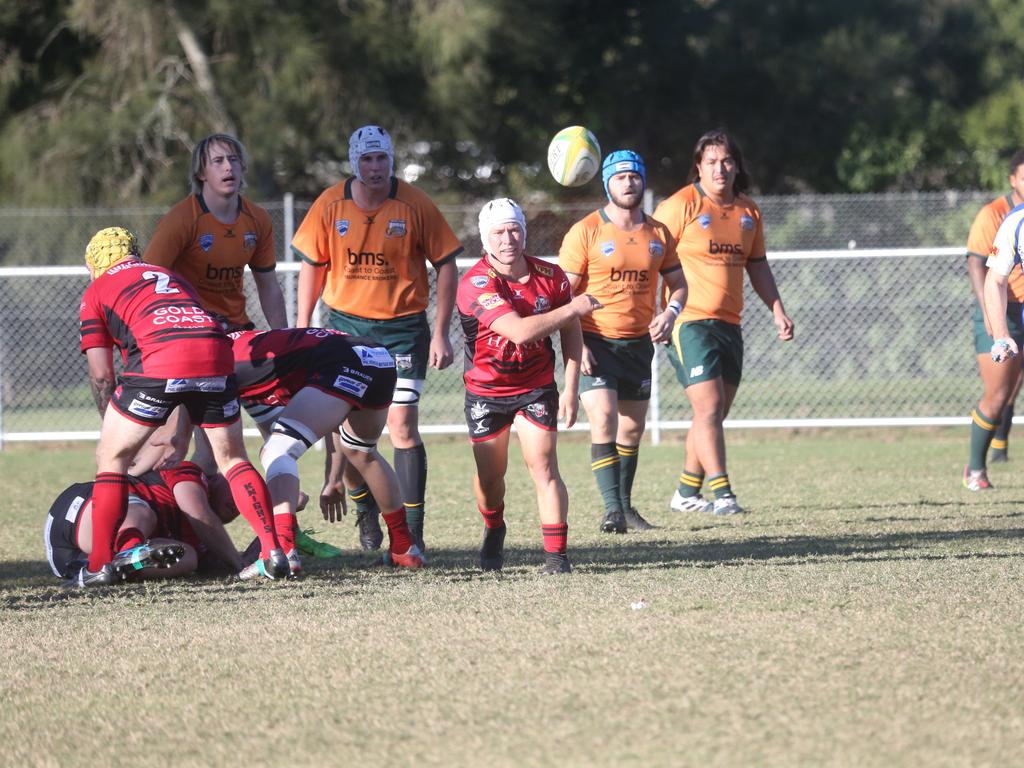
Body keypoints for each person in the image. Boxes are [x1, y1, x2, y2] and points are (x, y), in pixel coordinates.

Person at [76, 226, 286, 587]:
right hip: (216, 353)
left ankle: (99, 565)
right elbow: (191, 339)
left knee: (111, 458)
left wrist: (112, 422)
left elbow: (102, 375)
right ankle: (274, 552)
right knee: (233, 459)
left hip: (161, 360)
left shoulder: (96, 290)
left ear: (94, 263)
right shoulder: (170, 275)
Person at [291, 125, 462, 553]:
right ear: (354, 162)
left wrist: (441, 331)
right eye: (366, 159)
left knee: (402, 426)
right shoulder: (330, 204)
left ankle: (413, 533)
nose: (374, 167)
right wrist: (302, 328)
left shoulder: (415, 203)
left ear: (391, 160)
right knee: (350, 435)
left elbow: (445, 264)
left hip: (403, 329)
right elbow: (313, 265)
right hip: (346, 328)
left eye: (381, 158)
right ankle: (365, 510)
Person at [653, 129, 794, 516]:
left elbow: (758, 265)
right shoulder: (680, 205)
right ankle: (724, 495)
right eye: (711, 162)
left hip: (730, 324)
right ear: (698, 166)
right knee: (710, 406)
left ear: (737, 166)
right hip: (688, 321)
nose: (720, 168)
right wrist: (656, 312)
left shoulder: (749, 212)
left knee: (711, 413)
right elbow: (650, 258)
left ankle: (685, 492)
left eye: (727, 161)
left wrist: (777, 308)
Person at [457, 198, 600, 573]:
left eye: (514, 229)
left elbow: (571, 333)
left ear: (524, 231)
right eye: (499, 232)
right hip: (487, 392)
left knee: (544, 466)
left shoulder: (551, 277)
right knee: (491, 478)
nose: (508, 239)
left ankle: (557, 557)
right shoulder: (475, 283)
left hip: (536, 386)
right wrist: (575, 306)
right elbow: (520, 333)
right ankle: (493, 525)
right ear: (486, 239)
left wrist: (570, 389)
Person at [559, 150, 687, 534]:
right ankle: (612, 510)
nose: (628, 182)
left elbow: (678, 285)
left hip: (637, 345)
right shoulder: (586, 231)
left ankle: (626, 508)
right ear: (607, 184)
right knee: (604, 417)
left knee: (631, 429)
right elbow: (562, 295)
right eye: (620, 177)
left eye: (634, 176)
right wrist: (575, 343)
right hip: (595, 340)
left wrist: (669, 314)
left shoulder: (658, 233)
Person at [228, 327, 426, 571]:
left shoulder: (215, 362)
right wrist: (330, 479)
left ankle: (285, 551)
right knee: (361, 451)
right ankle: (404, 548)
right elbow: (318, 421)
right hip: (375, 355)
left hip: (340, 358)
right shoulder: (249, 348)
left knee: (276, 451)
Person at [144, 132, 286, 333]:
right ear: (201, 173)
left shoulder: (258, 219)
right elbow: (147, 281)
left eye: (233, 160)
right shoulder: (181, 219)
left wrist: (283, 337)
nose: (228, 166)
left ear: (242, 167)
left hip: (237, 329)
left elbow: (268, 287)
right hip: (189, 330)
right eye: (218, 161)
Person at [44, 462, 243, 584]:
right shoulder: (190, 473)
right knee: (143, 513)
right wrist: (238, 562)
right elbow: (196, 511)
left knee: (187, 556)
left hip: (71, 565)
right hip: (79, 512)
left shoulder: (204, 547)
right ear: (220, 477)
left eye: (245, 506)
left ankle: (112, 567)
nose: (239, 505)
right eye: (239, 491)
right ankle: (127, 552)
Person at [963, 150, 1024, 490]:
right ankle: (976, 468)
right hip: (1004, 309)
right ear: (1013, 180)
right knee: (999, 393)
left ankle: (1002, 448)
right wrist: (995, 323)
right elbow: (984, 271)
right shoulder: (1002, 217)